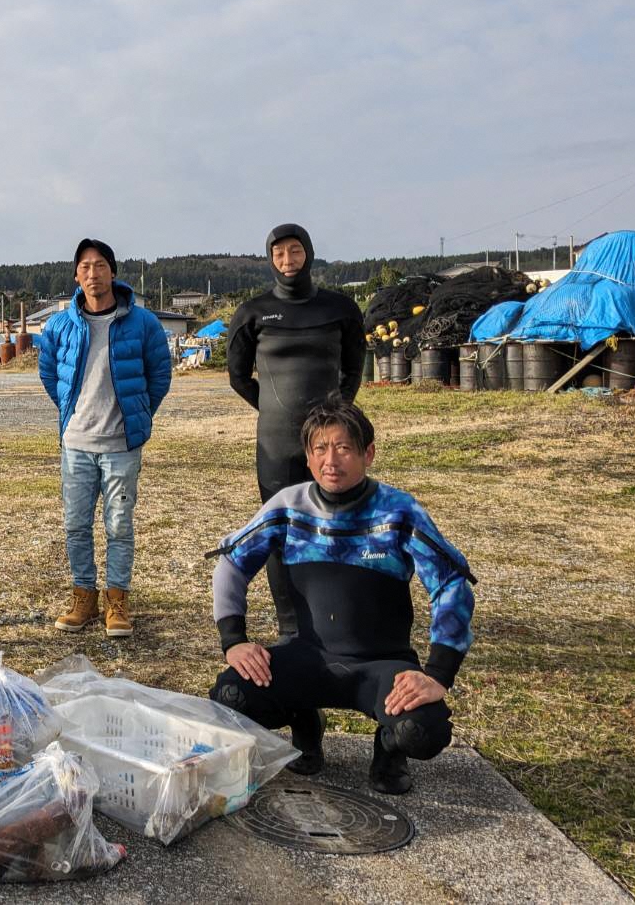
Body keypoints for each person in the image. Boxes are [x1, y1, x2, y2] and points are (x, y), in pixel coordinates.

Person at [207, 399, 476, 794]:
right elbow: (231, 563)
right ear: (308, 457)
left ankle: (389, 749)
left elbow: (451, 582)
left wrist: (437, 674)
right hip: (307, 656)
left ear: (368, 453)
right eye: (320, 449)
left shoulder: (400, 512)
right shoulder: (288, 507)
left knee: (422, 731)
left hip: (382, 665)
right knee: (230, 696)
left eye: (344, 448)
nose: (331, 460)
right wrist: (234, 641)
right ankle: (304, 721)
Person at [226, 224, 365, 641]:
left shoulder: (339, 308)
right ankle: (291, 625)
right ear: (270, 258)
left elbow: (354, 370)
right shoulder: (253, 312)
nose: (288, 261)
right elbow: (238, 377)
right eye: (280, 253)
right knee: (281, 528)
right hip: (277, 440)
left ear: (308, 253)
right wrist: (272, 408)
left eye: (295, 251)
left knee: (335, 521)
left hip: (329, 441)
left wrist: (332, 417)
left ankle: (334, 618)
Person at [38, 238, 172, 637]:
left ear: (113, 271)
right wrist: (70, 413)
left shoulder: (142, 322)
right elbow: (49, 374)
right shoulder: (61, 324)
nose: (92, 274)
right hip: (76, 443)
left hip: (121, 445)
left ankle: (118, 599)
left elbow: (159, 375)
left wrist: (139, 415)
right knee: (76, 525)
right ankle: (84, 595)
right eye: (84, 267)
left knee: (119, 525)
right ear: (76, 275)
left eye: (99, 266)